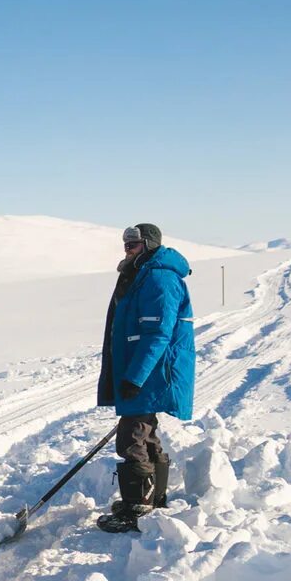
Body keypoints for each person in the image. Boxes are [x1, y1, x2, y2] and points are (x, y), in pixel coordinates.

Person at [96, 223, 195, 533]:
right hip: (144, 369)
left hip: (151, 371)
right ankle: (152, 497)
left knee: (133, 437)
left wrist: (135, 377)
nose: (128, 249)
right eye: (126, 244)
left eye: (134, 244)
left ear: (149, 245)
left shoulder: (159, 277)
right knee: (145, 431)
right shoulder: (143, 273)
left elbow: (157, 333)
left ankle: (138, 506)